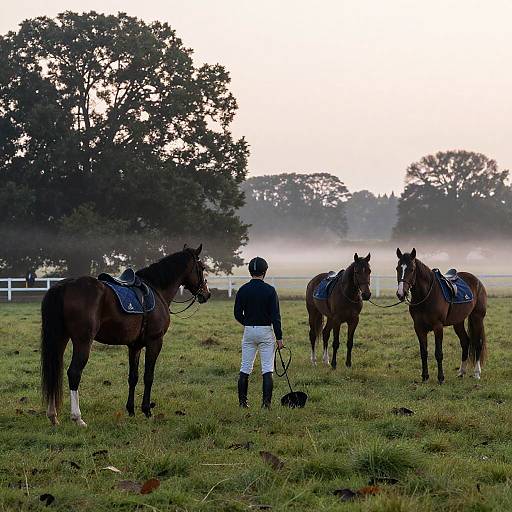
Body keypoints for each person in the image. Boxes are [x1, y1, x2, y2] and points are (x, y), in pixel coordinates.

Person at [234, 256, 284, 408]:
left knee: (245, 368)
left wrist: (248, 323)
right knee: (267, 369)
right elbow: (276, 317)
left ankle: (243, 403)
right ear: (265, 272)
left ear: (250, 271)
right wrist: (279, 338)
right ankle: (265, 405)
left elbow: (237, 314)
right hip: (265, 331)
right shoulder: (270, 290)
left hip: (249, 331)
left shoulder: (243, 290)